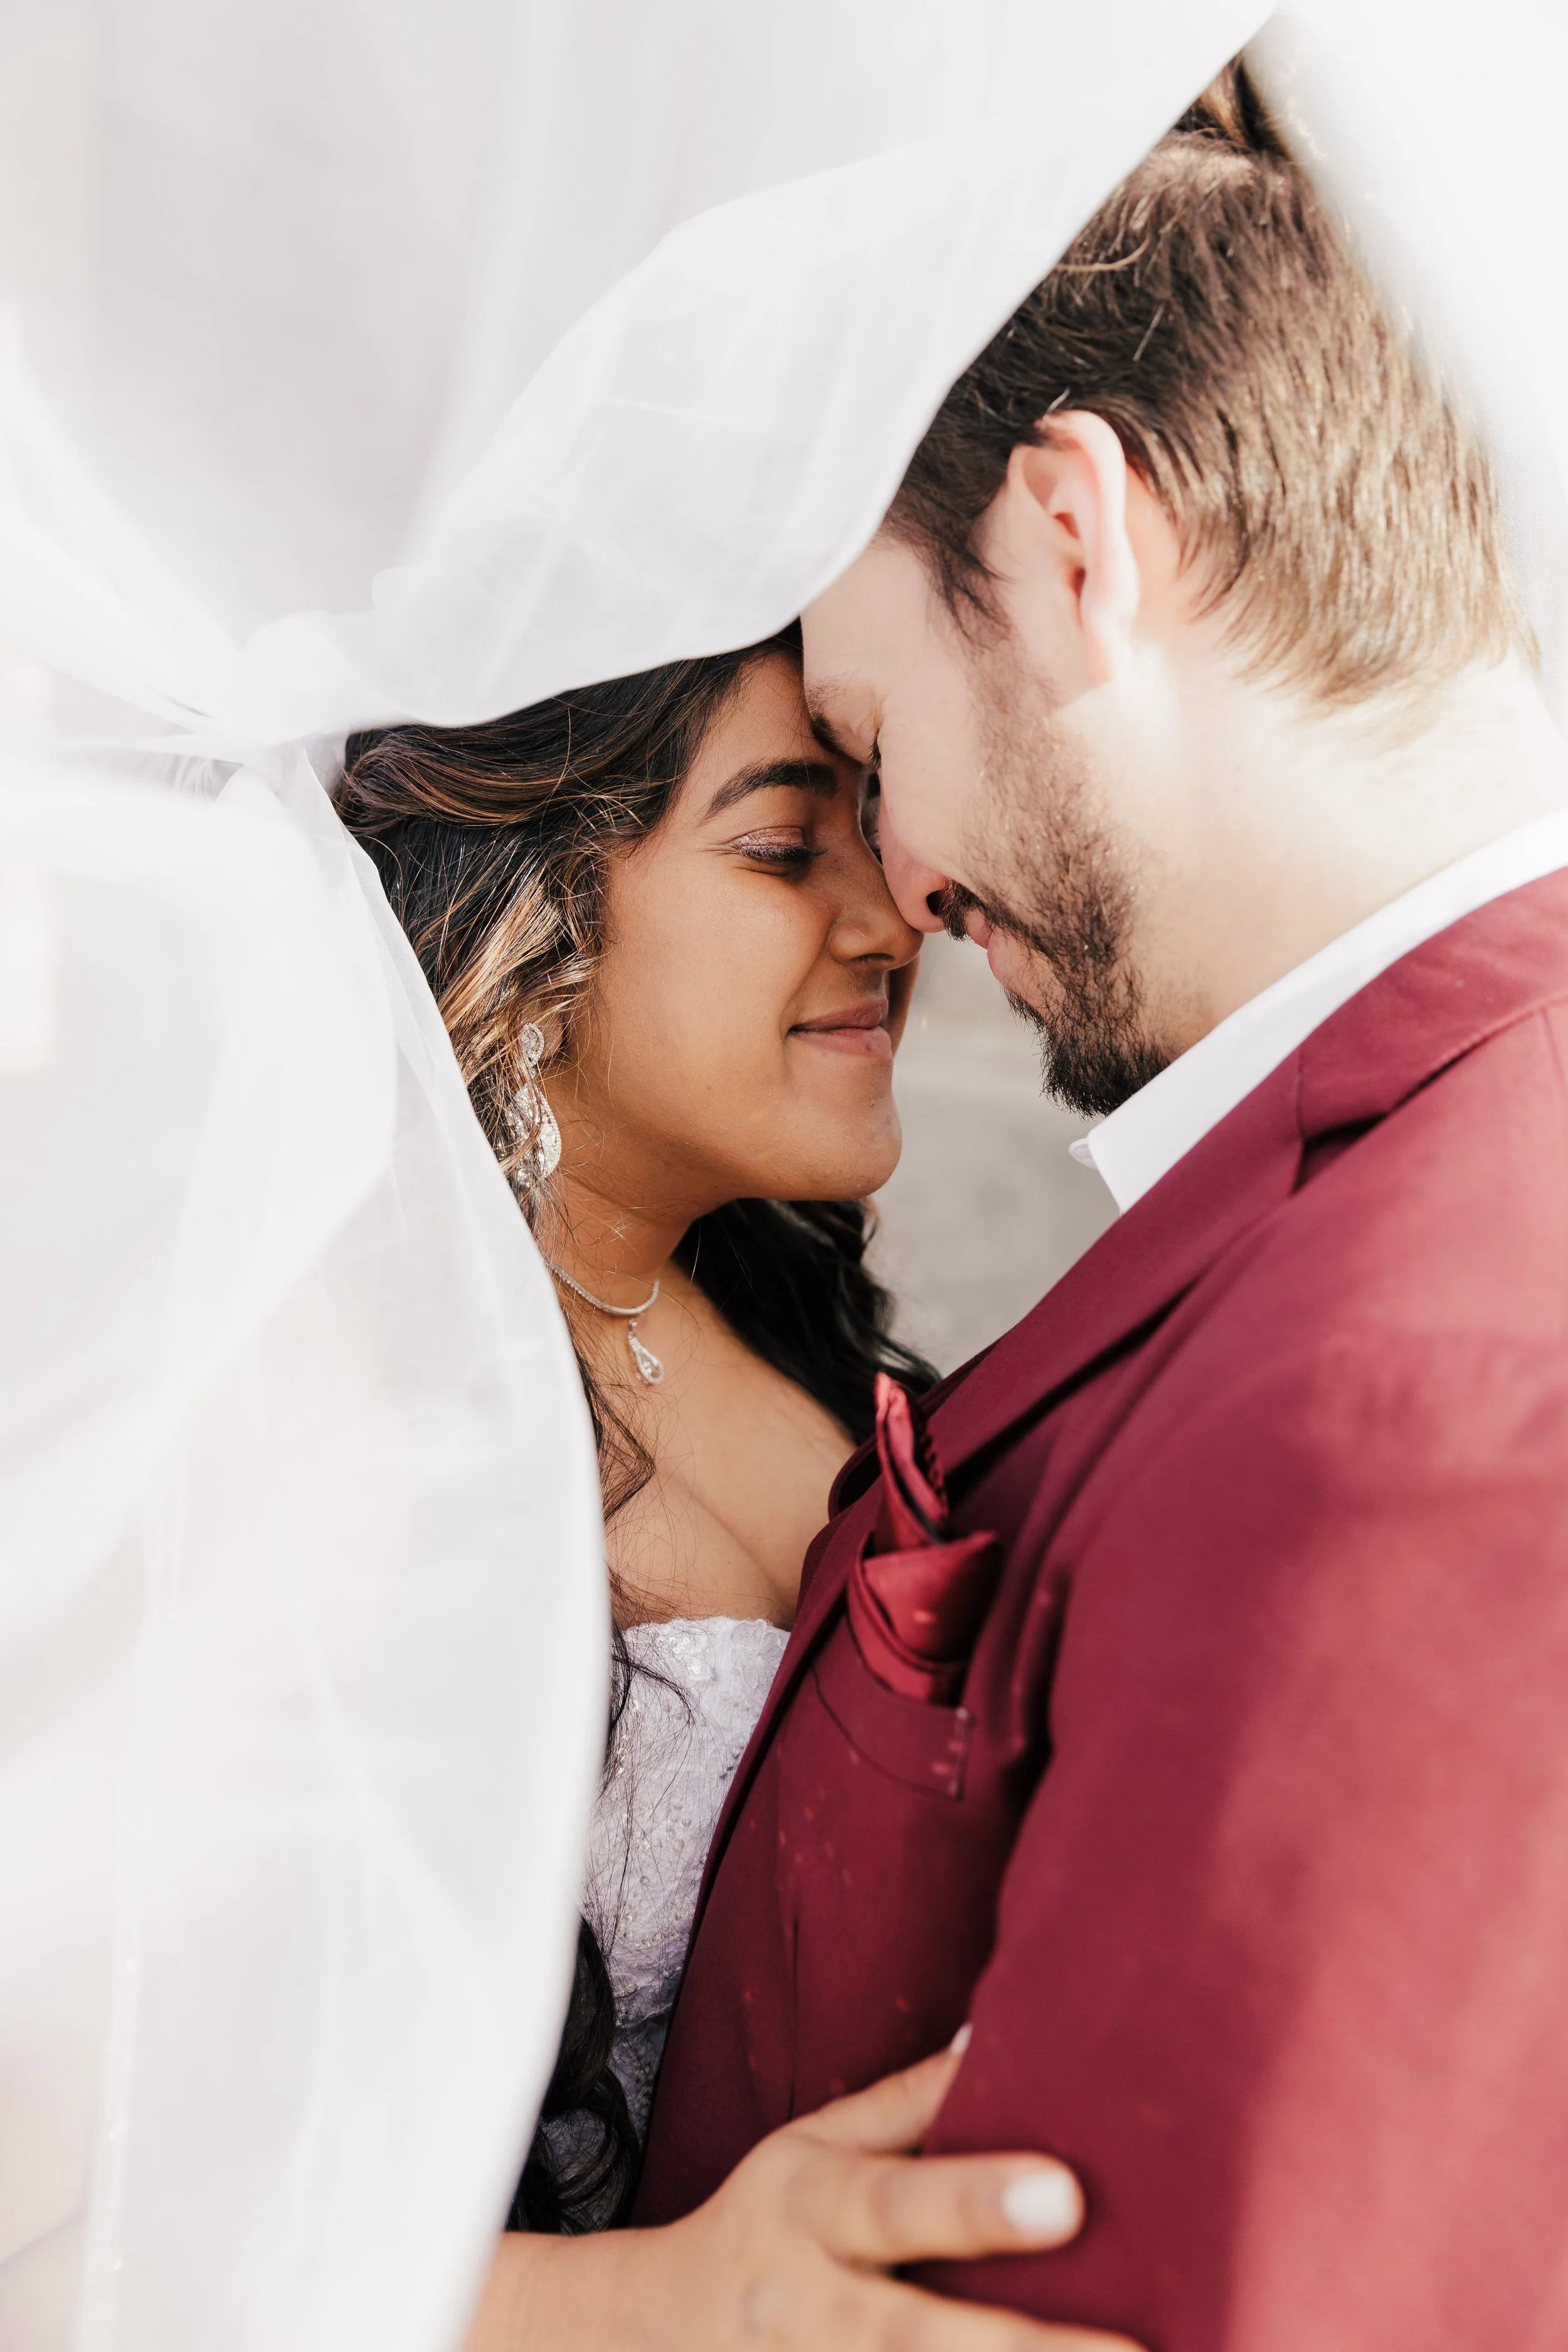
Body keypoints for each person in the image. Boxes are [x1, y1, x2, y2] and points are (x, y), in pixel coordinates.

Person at [635, 60, 1568, 2352]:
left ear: (1074, 544)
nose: (909, 882)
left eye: (870, 744)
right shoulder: (1382, 1199)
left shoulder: (1422, 1401)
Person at [337, 632, 1142, 2351]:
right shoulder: (329, 1438)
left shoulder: (807, 1334)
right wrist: (657, 2300)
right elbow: (106, 2206)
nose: (887, 912)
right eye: (783, 846)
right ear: (524, 906)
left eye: (870, 822)